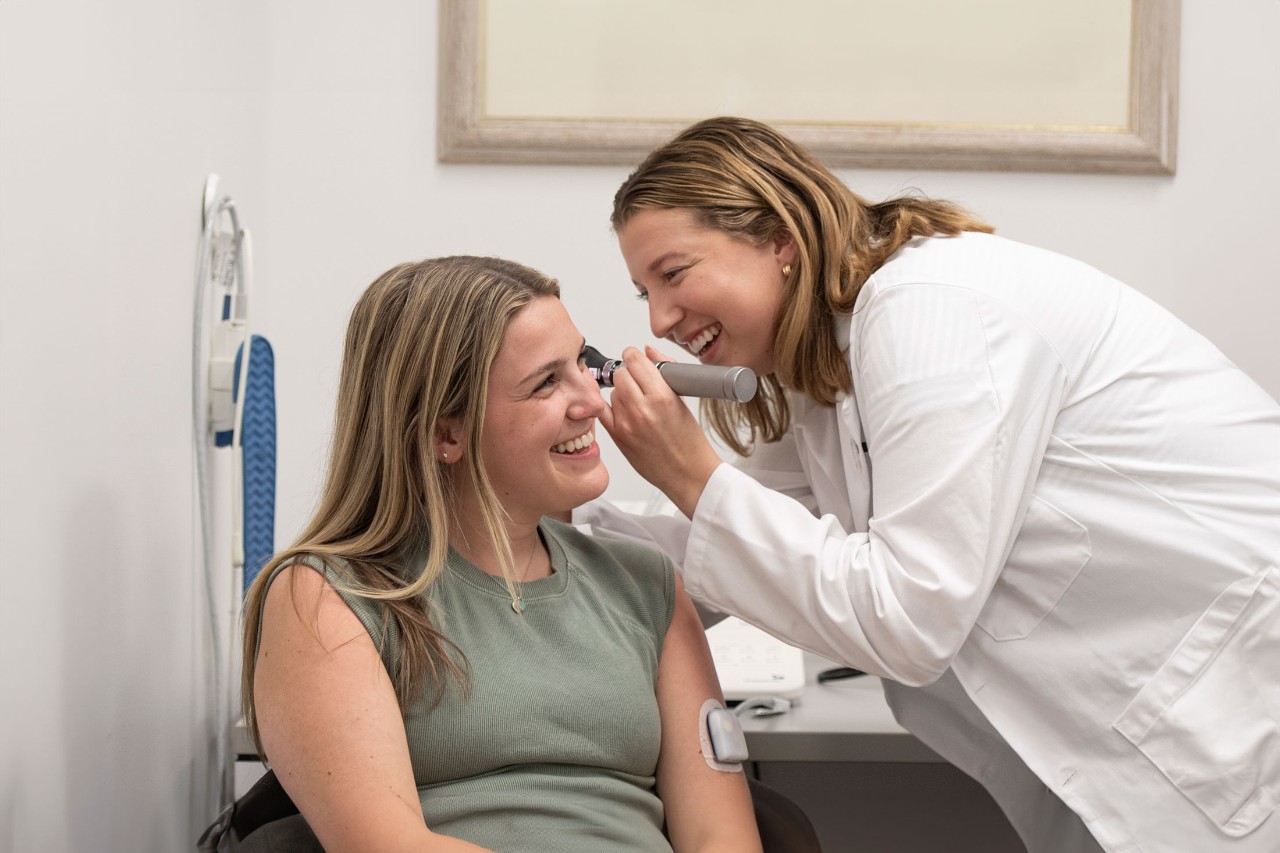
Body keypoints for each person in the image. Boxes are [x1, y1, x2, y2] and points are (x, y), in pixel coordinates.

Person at [575, 116, 1280, 852]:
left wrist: (688, 469)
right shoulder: (830, 369)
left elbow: (909, 619)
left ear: (780, 240)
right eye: (643, 292)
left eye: (674, 274)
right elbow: (734, 546)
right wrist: (561, 527)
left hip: (1234, 696)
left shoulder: (931, 310)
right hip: (1145, 728)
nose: (660, 319)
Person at [238, 256, 763, 852]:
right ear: (446, 433)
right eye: (546, 383)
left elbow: (722, 837)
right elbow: (387, 845)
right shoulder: (330, 598)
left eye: (582, 364)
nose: (593, 402)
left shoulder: (646, 585)